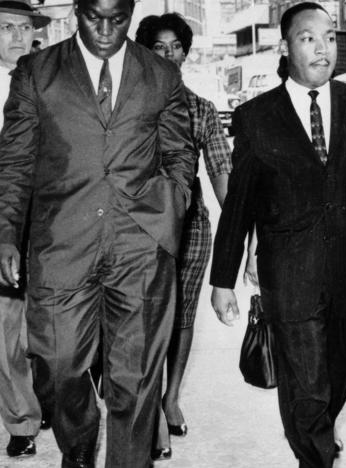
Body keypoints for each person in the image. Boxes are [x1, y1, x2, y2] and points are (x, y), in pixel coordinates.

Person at [0, 0, 198, 466]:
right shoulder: (36, 72)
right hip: (62, 242)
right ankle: (80, 447)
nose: (106, 29)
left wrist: (170, 210)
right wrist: (7, 233)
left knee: (136, 376)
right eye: (94, 17)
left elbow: (179, 153)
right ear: (75, 12)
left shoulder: (161, 75)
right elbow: (15, 163)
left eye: (118, 18)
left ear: (131, 12)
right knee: (59, 364)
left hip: (141, 245)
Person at [210, 3, 346, 467]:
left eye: (330, 37)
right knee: (306, 384)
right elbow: (239, 205)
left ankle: (316, 440)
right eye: (308, 38)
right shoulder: (256, 117)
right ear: (285, 46)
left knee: (338, 372)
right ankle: (314, 458)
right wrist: (222, 280)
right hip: (288, 272)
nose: (323, 48)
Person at [134, 12, 246, 461]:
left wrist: (241, 224)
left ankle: (171, 397)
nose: (168, 55)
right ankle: (148, 411)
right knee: (141, 321)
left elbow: (221, 168)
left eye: (175, 47)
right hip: (135, 229)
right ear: (144, 52)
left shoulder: (199, 108)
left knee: (180, 317)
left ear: (185, 52)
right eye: (158, 47)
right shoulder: (126, 104)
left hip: (190, 228)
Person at [0, 1, 50, 458]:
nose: (17, 35)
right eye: (6, 27)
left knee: (47, 323)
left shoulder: (44, 80)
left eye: (23, 27)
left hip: (48, 221)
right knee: (4, 326)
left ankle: (49, 395)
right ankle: (21, 420)